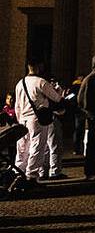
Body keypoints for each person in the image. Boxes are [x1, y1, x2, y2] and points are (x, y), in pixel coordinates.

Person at [13, 59, 64, 187]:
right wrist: (58, 91)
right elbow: (56, 98)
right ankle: (32, 175)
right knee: (37, 146)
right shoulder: (40, 82)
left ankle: (18, 171)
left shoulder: (20, 83)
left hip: (22, 119)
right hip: (37, 119)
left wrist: (19, 119)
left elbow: (17, 105)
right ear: (38, 68)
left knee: (22, 148)